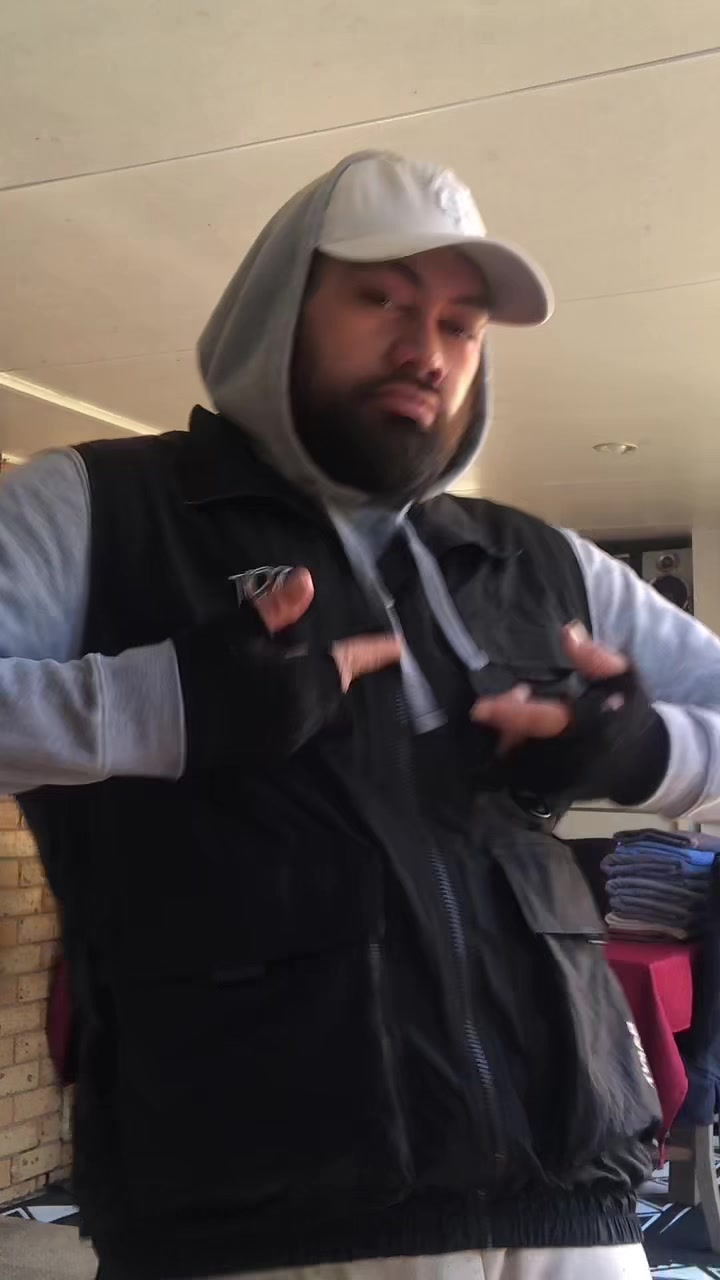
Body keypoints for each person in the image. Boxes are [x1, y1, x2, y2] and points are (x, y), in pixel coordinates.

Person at [3, 151, 720, 1280]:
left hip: (571, 1215)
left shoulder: (540, 563)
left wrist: (644, 746)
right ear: (281, 308)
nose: (426, 347)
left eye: (460, 322)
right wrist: (161, 704)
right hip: (249, 1231)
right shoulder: (96, 505)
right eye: (381, 298)